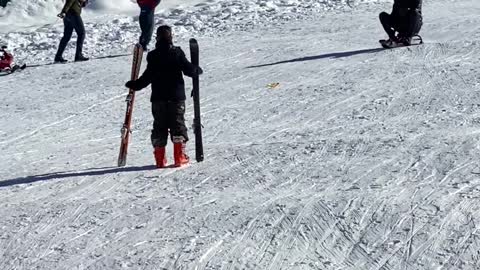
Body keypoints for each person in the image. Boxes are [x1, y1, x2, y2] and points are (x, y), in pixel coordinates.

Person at [125, 25, 203, 168]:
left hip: (158, 98)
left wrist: (135, 85)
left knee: (159, 125)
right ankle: (179, 156)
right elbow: (188, 69)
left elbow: (147, 77)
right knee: (177, 123)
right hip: (176, 97)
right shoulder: (177, 52)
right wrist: (196, 70)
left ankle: (160, 159)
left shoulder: (153, 55)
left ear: (157, 38)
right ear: (171, 37)